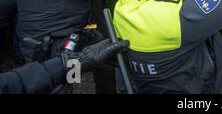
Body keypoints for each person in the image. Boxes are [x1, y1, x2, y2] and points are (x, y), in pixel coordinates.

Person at [0, 39, 129, 94]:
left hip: (57, 43)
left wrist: (64, 65)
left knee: (73, 77)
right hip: (59, 35)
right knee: (67, 84)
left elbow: (8, 85)